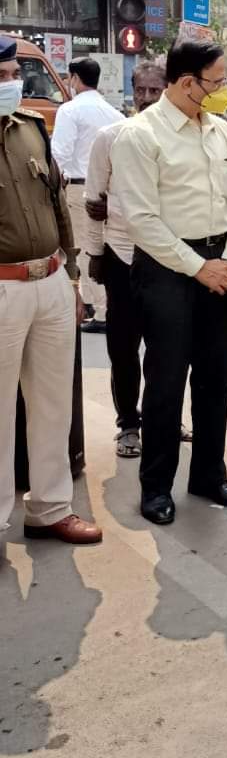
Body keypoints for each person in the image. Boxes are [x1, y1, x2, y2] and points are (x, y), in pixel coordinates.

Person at [111, 39, 227, 527]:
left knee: (217, 378)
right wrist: (199, 267)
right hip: (168, 269)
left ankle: (210, 474)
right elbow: (142, 220)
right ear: (188, 82)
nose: (222, 90)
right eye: (216, 81)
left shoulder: (221, 132)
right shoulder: (139, 134)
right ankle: (156, 487)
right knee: (166, 383)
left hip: (223, 267)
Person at [0, 35, 102, 555]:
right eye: (2, 76)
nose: (11, 83)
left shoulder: (32, 129)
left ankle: (50, 509)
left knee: (53, 403)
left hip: (50, 281)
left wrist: (73, 275)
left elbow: (57, 203)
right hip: (2, 287)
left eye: (13, 73)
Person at [84, 62, 167, 460]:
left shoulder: (176, 139)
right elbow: (93, 201)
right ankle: (128, 425)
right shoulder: (110, 137)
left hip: (168, 259)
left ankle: (161, 419)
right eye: (142, 91)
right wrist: (96, 254)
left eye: (156, 91)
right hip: (121, 257)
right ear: (132, 92)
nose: (148, 99)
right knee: (123, 347)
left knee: (167, 348)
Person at [50, 56, 123, 333]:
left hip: (80, 187)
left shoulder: (70, 110)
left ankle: (102, 312)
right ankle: (98, 303)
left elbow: (59, 154)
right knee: (105, 246)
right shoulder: (114, 113)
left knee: (84, 249)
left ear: (74, 79)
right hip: (109, 190)